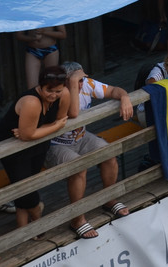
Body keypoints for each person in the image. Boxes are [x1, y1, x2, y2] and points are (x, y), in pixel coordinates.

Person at [49, 62, 133, 240]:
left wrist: (125, 97)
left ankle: (109, 199)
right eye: (77, 80)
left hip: (81, 137)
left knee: (108, 154)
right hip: (56, 144)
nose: (82, 83)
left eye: (82, 79)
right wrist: (73, 84)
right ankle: (77, 219)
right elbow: (73, 113)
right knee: (79, 168)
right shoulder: (56, 91)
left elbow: (114, 90)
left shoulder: (87, 84)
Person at [0, 66, 70, 232]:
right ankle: (37, 220)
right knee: (24, 190)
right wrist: (52, 127)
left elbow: (60, 120)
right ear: (40, 86)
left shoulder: (64, 94)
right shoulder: (31, 102)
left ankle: (23, 230)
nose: (53, 95)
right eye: (49, 90)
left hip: (39, 143)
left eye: (58, 91)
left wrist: (37, 130)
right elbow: (30, 134)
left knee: (29, 186)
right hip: (13, 149)